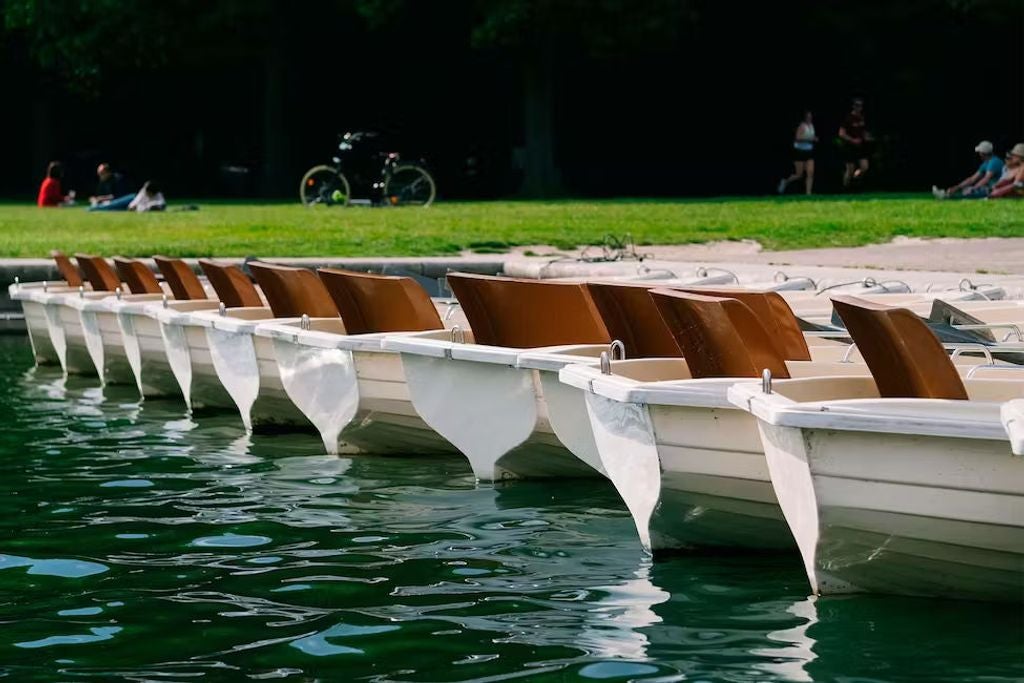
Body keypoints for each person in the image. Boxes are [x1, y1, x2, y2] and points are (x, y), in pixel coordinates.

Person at [932, 141, 1005, 199]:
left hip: (996, 189)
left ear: (982, 153)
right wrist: (957, 187)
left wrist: (973, 189)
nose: (979, 154)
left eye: (979, 152)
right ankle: (946, 194)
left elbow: (986, 178)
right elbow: (972, 179)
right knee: (966, 190)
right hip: (990, 188)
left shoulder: (994, 162)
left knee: (968, 192)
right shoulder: (986, 163)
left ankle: (946, 196)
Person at [777, 111, 818, 195]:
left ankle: (808, 193)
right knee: (799, 174)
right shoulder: (802, 126)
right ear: (805, 117)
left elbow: (811, 137)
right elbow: (798, 138)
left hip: (809, 151)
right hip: (799, 151)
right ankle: (785, 182)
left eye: (811, 116)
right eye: (808, 116)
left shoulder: (812, 126)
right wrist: (810, 139)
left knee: (810, 173)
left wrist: (814, 139)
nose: (810, 118)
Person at [837, 98, 872, 188]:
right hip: (849, 147)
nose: (859, 107)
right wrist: (852, 140)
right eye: (857, 105)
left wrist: (866, 137)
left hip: (860, 147)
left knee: (865, 167)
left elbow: (863, 131)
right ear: (853, 106)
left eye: (860, 106)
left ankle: (855, 179)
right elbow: (841, 133)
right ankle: (845, 188)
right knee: (850, 170)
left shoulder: (862, 118)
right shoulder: (848, 118)